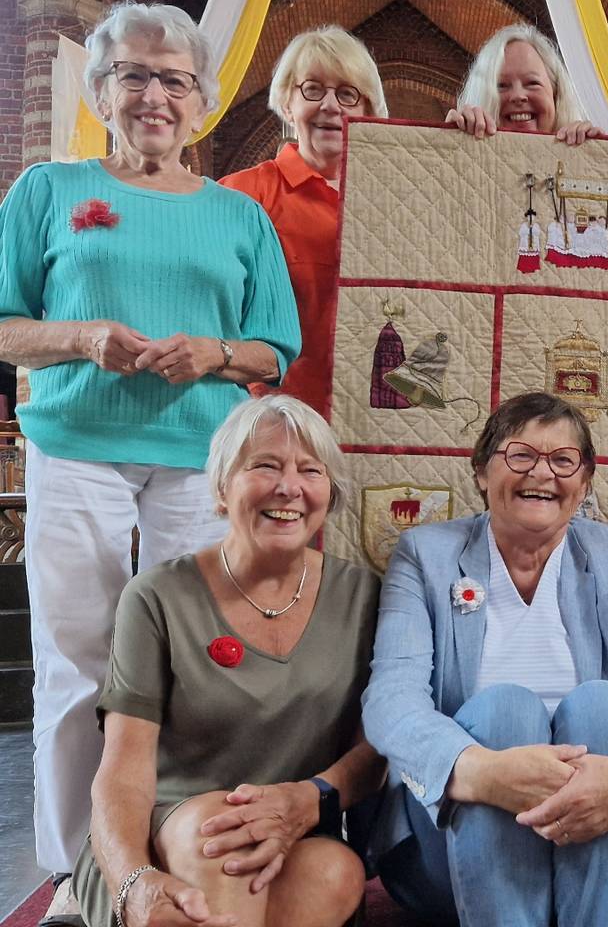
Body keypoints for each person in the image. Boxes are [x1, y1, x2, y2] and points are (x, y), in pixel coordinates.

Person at [0, 1, 301, 921]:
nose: (154, 95)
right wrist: (84, 336)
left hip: (197, 460)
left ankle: (179, 849)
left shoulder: (238, 214)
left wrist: (211, 353)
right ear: (101, 91)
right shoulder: (47, 191)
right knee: (77, 660)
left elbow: (274, 348)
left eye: (174, 79)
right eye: (134, 74)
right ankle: (72, 875)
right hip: (78, 448)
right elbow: (7, 328)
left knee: (196, 662)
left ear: (203, 100)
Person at [363, 391, 608, 927]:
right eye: (520, 454)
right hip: (454, 840)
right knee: (504, 712)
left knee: (605, 709)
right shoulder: (424, 554)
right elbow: (391, 698)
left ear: (585, 482)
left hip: (606, 834)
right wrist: (482, 772)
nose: (542, 473)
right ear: (480, 471)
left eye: (563, 460)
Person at [71, 395, 383, 927]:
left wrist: (311, 800)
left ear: (328, 496)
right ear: (220, 490)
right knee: (219, 839)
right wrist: (133, 880)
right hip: (165, 834)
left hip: (294, 831)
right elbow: (122, 772)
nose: (289, 487)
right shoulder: (157, 596)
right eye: (264, 465)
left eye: (310, 470)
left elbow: (377, 747)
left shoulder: (365, 595)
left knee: (336, 870)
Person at [221, 26, 388, 416]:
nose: (331, 105)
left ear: (367, 110)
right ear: (287, 102)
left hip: (380, 420)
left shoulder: (395, 200)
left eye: (348, 93)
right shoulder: (244, 194)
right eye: (313, 88)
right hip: (278, 418)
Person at [444, 24, 599, 145]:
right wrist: (448, 150)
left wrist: (594, 158)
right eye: (502, 85)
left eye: (532, 83)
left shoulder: (583, 155)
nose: (518, 96)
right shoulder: (458, 154)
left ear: (556, 93)